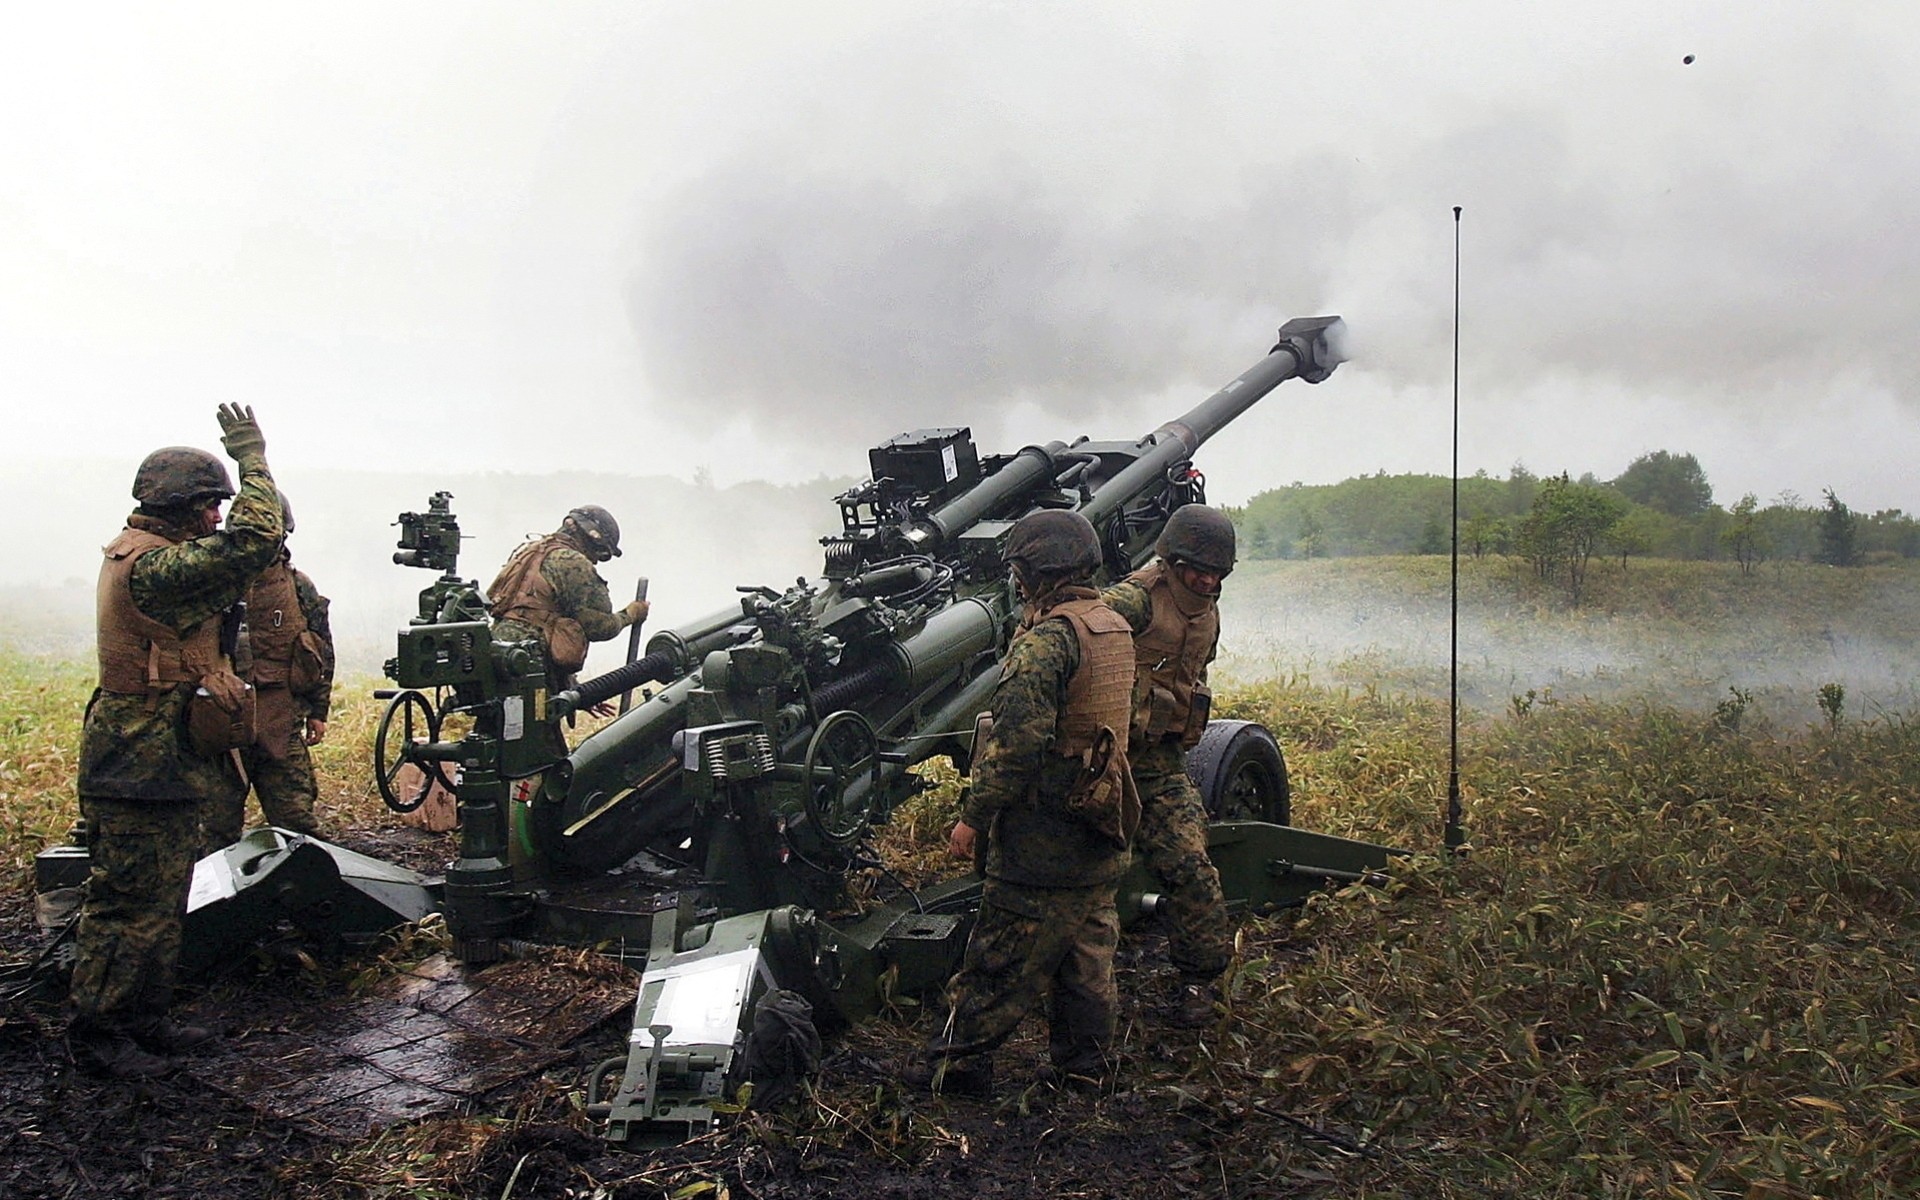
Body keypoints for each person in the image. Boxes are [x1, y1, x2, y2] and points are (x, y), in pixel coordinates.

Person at [69, 405, 284, 1078]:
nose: (217, 518)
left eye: (221, 505)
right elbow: (255, 539)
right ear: (181, 509)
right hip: (137, 762)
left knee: (160, 897)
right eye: (209, 506)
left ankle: (144, 1019)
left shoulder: (149, 554)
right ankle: (100, 1034)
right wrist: (252, 457)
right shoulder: (159, 569)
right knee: (127, 902)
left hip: (154, 757)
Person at [909, 509, 1139, 1097]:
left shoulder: (1046, 643)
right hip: (1104, 816)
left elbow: (1015, 747)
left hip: (1046, 830)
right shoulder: (1111, 626)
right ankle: (1082, 1071)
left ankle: (956, 1067)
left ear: (1036, 575)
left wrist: (971, 818)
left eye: (1019, 569)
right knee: (1087, 957)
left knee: (998, 957)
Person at [1101, 503, 1237, 1027]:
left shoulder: (1210, 609)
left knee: (1191, 865)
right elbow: (1072, 638)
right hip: (1107, 764)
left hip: (1159, 766)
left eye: (1216, 573)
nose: (1206, 580)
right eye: (1196, 569)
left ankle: (1200, 980)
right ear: (1171, 561)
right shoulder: (1133, 600)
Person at [203, 495, 335, 848]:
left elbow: (320, 649)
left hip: (280, 715)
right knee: (215, 827)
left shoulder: (298, 586)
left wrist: (318, 711)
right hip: (221, 718)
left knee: (296, 822)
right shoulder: (211, 584)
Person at [485, 505, 646, 686]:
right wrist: (631, 614)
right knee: (535, 713)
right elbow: (599, 626)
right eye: (601, 553)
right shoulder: (573, 561)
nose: (595, 560)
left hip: (498, 654)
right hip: (530, 663)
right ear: (592, 538)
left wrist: (571, 687)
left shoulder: (529, 552)